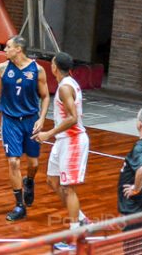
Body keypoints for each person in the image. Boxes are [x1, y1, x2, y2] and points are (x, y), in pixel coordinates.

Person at [33, 52, 90, 251]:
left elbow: (73, 118)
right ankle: (82, 219)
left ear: (54, 67)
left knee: (68, 189)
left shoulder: (65, 88)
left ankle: (74, 236)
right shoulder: (67, 83)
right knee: (52, 181)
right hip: (63, 140)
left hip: (73, 141)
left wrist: (48, 133)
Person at [0, 35, 50, 221]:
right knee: (13, 162)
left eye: (8, 46)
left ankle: (29, 181)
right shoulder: (2, 68)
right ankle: (19, 206)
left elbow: (45, 96)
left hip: (30, 120)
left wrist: (42, 118)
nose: (4, 50)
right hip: (10, 120)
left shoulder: (37, 70)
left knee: (33, 164)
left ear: (18, 49)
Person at [118, 108, 142, 233]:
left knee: (135, 242)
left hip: (138, 208)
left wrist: (136, 189)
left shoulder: (141, 147)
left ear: (140, 124)